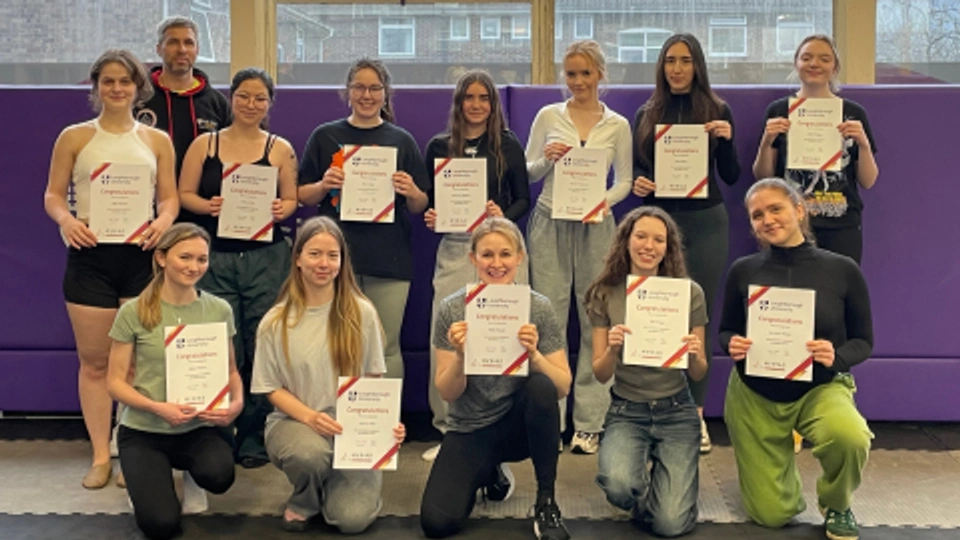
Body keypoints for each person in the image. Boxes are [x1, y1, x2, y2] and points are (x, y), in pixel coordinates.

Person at [43, 49, 178, 489]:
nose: (117, 89)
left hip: (140, 259)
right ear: (97, 87)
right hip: (91, 260)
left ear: (139, 86)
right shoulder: (75, 137)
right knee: (96, 364)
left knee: (138, 363)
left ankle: (133, 455)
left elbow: (170, 199)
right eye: (108, 81)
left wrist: (161, 223)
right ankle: (101, 456)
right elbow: (53, 195)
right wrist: (67, 221)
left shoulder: (156, 141)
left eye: (125, 81)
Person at [719, 178, 873, 540]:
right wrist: (733, 344)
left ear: (799, 210)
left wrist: (835, 355)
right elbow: (726, 331)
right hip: (754, 394)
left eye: (776, 209)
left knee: (850, 437)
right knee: (772, 516)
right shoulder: (744, 270)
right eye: (757, 215)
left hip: (818, 387)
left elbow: (864, 342)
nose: (767, 220)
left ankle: (837, 502)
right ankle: (776, 462)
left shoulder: (842, 269)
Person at [420, 218, 573, 540]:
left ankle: (546, 503)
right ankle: (488, 472)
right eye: (487, 255)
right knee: (437, 524)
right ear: (473, 259)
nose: (497, 263)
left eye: (505, 254)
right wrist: (462, 356)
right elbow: (447, 392)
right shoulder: (451, 310)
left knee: (541, 386)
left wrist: (535, 356)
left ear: (520, 257)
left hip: (519, 425)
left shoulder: (538, 307)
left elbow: (562, 386)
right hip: (470, 426)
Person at [251, 216, 405, 533]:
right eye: (314, 254)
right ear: (297, 259)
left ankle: (339, 485)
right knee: (309, 456)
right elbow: (270, 388)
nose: (324, 263)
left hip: (351, 430)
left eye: (332, 256)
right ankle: (306, 497)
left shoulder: (362, 312)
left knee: (351, 520)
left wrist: (381, 425)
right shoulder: (275, 321)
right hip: (294, 423)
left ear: (342, 260)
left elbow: (372, 381)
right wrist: (310, 418)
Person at [178, 67, 298, 468]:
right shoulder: (204, 145)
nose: (251, 104)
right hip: (215, 257)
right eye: (244, 96)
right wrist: (206, 205)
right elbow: (184, 195)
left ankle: (255, 435)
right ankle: (217, 432)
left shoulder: (279, 148)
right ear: (232, 98)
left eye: (260, 98)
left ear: (270, 104)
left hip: (266, 258)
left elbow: (292, 201)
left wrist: (284, 207)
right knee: (222, 346)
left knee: (262, 344)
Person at [631, 33, 741, 454]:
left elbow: (730, 177)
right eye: (670, 61)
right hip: (660, 223)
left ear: (698, 65)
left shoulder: (717, 109)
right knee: (655, 316)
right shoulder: (647, 112)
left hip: (707, 224)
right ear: (661, 66)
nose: (677, 68)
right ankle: (652, 411)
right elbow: (642, 176)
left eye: (685, 60)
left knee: (699, 322)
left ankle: (695, 417)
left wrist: (728, 139)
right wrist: (643, 186)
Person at [525, 40, 632, 454]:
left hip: (597, 226)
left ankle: (589, 424)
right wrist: (548, 159)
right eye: (571, 74)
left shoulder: (617, 125)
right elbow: (529, 170)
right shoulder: (548, 116)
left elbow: (623, 180)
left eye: (586, 73)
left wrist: (598, 202)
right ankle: (551, 419)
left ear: (600, 75)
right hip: (550, 220)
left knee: (595, 320)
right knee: (549, 317)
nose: (579, 82)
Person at [421, 69, 531, 461]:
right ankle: (448, 429)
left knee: (503, 336)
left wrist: (503, 213)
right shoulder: (438, 146)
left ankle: (502, 429)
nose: (477, 105)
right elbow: (429, 204)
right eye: (469, 97)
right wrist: (432, 216)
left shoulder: (507, 144)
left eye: (484, 98)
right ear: (459, 102)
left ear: (493, 104)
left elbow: (524, 200)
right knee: (449, 337)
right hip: (455, 248)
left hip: (501, 250)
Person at [105, 223, 241, 540]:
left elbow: (231, 371)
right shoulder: (133, 311)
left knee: (220, 476)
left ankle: (192, 477)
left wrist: (236, 404)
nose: (194, 267)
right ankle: (145, 483)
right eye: (185, 257)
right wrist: (157, 407)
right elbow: (114, 383)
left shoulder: (219, 309)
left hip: (198, 426)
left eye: (202, 259)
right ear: (162, 257)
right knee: (160, 526)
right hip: (144, 430)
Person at [298, 58, 429, 379]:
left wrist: (411, 191)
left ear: (385, 94)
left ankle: (385, 424)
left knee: (386, 345)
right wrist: (324, 185)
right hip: (336, 259)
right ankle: (335, 419)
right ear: (347, 92)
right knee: (335, 342)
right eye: (359, 87)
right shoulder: (325, 135)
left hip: (390, 257)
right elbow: (303, 194)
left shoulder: (401, 140)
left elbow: (421, 205)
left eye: (374, 88)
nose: (366, 95)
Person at [584, 207, 707, 537]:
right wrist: (611, 348)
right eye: (641, 236)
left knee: (670, 525)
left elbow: (698, 373)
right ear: (626, 241)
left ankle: (671, 485)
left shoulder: (688, 293)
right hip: (627, 410)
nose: (648, 246)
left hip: (676, 410)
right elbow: (599, 373)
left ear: (669, 247)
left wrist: (694, 354)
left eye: (658, 239)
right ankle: (655, 481)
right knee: (619, 487)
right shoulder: (605, 292)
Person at [752, 34, 879, 265]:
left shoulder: (852, 113)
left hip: (841, 225)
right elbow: (763, 177)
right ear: (796, 64)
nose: (814, 64)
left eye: (824, 58)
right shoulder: (779, 110)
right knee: (792, 296)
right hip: (789, 224)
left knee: (836, 295)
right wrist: (767, 140)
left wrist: (863, 143)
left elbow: (868, 181)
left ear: (835, 67)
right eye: (807, 58)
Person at [137, 16, 231, 180]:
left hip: (203, 203)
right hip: (146, 200)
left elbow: (235, 154)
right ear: (159, 49)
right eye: (173, 42)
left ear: (197, 49)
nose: (182, 49)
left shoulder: (217, 103)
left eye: (189, 43)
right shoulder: (138, 98)